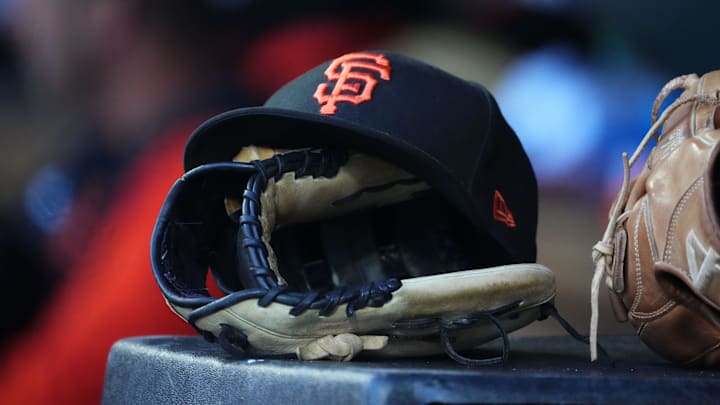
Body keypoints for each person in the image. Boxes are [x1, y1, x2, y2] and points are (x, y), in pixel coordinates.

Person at [0, 0, 407, 402]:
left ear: (107, 10)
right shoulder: (98, 161)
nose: (14, 21)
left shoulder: (200, 189)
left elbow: (47, 392)